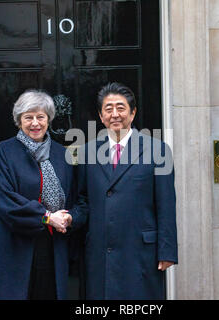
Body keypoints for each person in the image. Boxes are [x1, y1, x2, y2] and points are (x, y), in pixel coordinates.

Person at [67, 82, 178, 299]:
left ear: (133, 112)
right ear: (100, 116)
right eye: (108, 109)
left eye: (121, 108)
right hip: (100, 252)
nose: (115, 114)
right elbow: (83, 200)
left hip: (140, 251)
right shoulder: (88, 152)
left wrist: (167, 251)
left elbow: (166, 204)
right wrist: (70, 218)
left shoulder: (157, 150)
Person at [0, 89, 74, 300]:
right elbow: (4, 200)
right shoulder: (5, 151)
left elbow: (74, 196)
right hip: (13, 245)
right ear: (19, 121)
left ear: (48, 119)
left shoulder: (62, 154)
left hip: (52, 247)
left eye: (40, 117)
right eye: (28, 117)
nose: (35, 123)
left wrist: (70, 217)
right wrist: (46, 217)